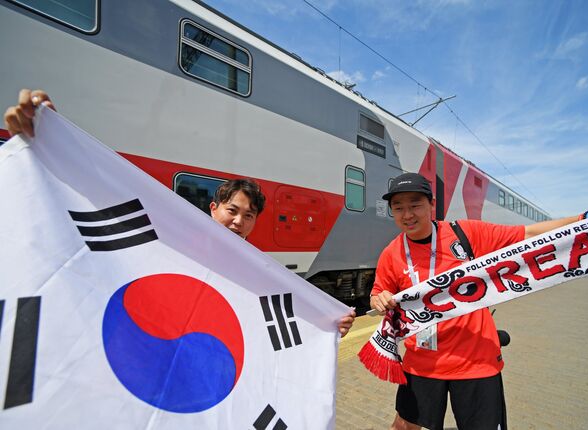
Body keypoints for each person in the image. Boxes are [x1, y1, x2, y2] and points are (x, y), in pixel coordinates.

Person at [3, 89, 356, 336]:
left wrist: (326, 323)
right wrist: (49, 141)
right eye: (232, 210)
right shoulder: (171, 240)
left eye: (248, 216)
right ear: (213, 208)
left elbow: (273, 314)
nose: (239, 221)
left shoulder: (254, 264)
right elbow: (95, 204)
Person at [370, 172, 588, 430]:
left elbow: (530, 235)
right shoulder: (391, 253)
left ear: (431, 204)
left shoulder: (465, 234)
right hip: (422, 363)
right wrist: (378, 299)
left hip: (476, 362)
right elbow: (377, 294)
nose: (407, 215)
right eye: (398, 207)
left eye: (415, 205)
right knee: (404, 425)